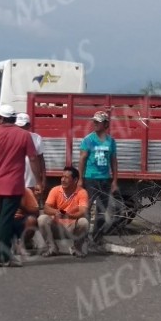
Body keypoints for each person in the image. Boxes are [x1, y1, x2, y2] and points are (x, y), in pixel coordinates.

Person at [0, 104, 41, 267]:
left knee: (4, 217)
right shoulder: (24, 135)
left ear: (0, 118)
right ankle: (4, 256)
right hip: (14, 184)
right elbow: (32, 158)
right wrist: (38, 180)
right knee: (6, 219)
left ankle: (4, 254)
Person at [78, 110, 118, 243]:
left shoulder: (111, 141)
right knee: (87, 208)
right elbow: (82, 159)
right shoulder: (88, 140)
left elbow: (113, 160)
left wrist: (115, 180)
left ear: (106, 124)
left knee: (102, 209)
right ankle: (83, 236)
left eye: (98, 122)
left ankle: (97, 236)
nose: (95, 124)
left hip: (105, 179)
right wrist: (80, 179)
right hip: (91, 178)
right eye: (94, 121)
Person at [38, 166, 89, 257]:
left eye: (66, 177)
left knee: (84, 222)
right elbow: (46, 208)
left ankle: (77, 248)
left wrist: (69, 216)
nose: (62, 179)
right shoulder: (55, 190)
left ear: (75, 180)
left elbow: (83, 212)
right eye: (62, 176)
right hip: (58, 226)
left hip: (72, 227)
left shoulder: (82, 192)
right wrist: (56, 212)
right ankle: (52, 248)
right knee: (42, 219)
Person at [0, 187, 39, 258]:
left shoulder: (26, 191)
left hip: (19, 220)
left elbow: (36, 212)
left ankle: (21, 245)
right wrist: (2, 206)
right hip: (3, 219)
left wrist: (22, 207)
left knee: (32, 220)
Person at [15, 113, 45, 195]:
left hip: (31, 182)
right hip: (15, 182)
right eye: (18, 126)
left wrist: (42, 180)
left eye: (22, 126)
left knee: (30, 206)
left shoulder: (36, 138)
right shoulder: (11, 138)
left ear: (28, 126)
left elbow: (41, 160)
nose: (20, 129)